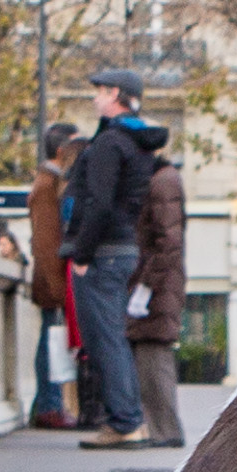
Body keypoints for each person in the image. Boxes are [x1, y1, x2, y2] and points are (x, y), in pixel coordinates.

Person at [59, 72, 158, 447]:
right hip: (121, 248)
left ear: (116, 94)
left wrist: (82, 253)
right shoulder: (135, 143)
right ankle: (130, 420)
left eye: (100, 93)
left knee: (103, 339)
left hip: (102, 252)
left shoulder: (110, 143)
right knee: (112, 337)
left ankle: (125, 422)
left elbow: (97, 202)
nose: (96, 99)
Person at [127, 129, 191, 449]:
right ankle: (160, 429)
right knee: (148, 355)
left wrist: (146, 286)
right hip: (158, 281)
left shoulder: (163, 181)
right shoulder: (162, 179)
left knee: (154, 355)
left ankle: (165, 431)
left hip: (158, 284)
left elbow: (168, 241)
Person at [19, 120, 79, 429]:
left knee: (53, 339)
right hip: (52, 276)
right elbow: (44, 239)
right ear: (61, 150)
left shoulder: (51, 182)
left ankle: (47, 404)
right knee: (52, 340)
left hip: (52, 275)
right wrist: (58, 284)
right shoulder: (47, 185)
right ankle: (49, 405)